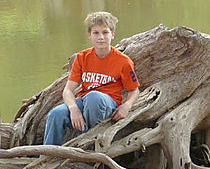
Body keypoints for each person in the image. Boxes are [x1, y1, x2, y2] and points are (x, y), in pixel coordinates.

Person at [43, 11, 140, 146]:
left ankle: (86, 145)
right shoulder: (82, 57)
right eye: (96, 33)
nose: (101, 37)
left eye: (105, 32)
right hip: (84, 101)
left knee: (94, 97)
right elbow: (68, 90)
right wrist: (74, 109)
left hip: (107, 105)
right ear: (89, 35)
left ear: (112, 34)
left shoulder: (123, 61)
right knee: (55, 114)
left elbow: (134, 91)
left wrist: (126, 106)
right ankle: (47, 161)